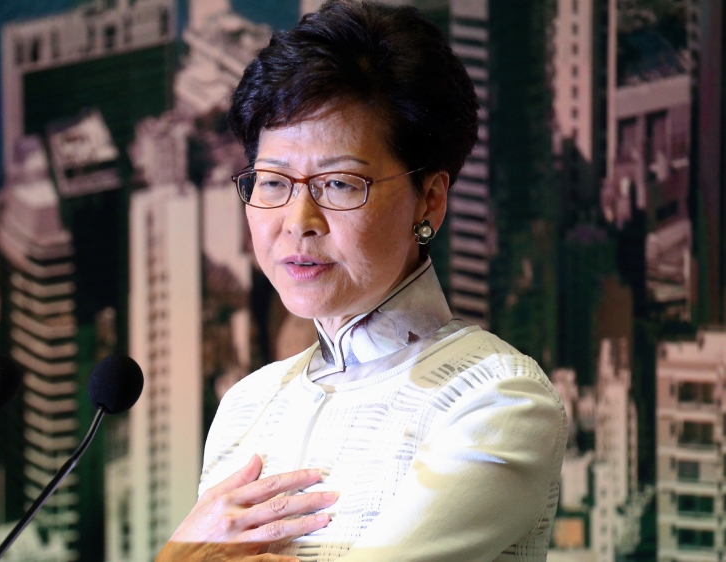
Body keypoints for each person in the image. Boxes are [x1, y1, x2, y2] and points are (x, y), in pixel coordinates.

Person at [156, 2, 567, 561]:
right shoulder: (246, 407)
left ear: (430, 200)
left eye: (340, 184)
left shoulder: (496, 398)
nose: (298, 221)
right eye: (273, 181)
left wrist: (177, 556)